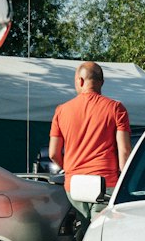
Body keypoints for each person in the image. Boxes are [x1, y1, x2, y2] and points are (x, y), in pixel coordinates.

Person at [49, 61, 131, 220]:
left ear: (80, 80)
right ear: (102, 82)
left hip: (74, 186)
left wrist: (70, 168)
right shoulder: (116, 108)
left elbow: (53, 153)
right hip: (105, 184)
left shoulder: (61, 111)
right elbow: (125, 151)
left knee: (83, 233)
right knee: (102, 235)